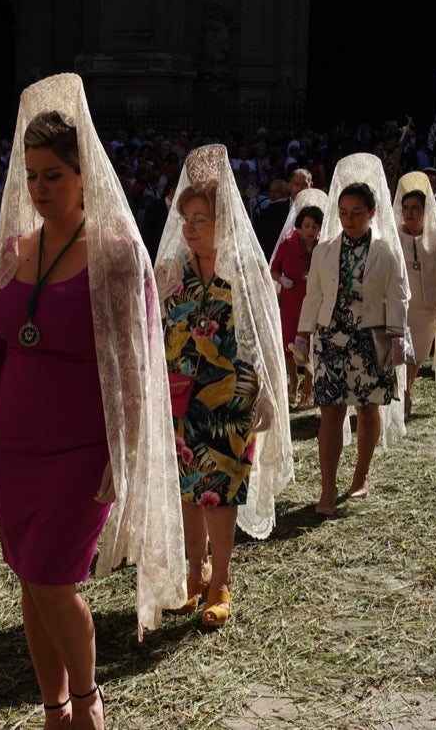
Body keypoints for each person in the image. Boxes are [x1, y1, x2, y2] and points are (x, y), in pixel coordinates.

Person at [0, 74, 184, 730]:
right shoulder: (10, 250)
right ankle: (53, 706)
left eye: (53, 174)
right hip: (16, 452)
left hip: (81, 452)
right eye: (31, 174)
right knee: (31, 580)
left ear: (87, 176)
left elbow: (136, 367)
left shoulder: (116, 258)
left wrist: (128, 451)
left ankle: (87, 703)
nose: (38, 188)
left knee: (54, 581)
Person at [154, 145, 291, 630]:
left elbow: (264, 335)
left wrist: (271, 393)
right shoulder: (172, 272)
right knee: (187, 492)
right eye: (184, 218)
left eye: (199, 219)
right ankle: (195, 574)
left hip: (230, 399)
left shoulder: (245, 271)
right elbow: (154, 330)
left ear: (223, 220)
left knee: (220, 493)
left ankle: (222, 581)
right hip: (179, 397)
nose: (189, 228)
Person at [296, 153, 410, 516]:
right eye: (344, 212)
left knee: (367, 407)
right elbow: (313, 294)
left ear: (372, 213)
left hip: (369, 337)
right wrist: (303, 333)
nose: (349, 219)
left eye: (357, 212)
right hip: (332, 337)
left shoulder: (385, 251)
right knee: (329, 411)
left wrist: (396, 337)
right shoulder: (326, 251)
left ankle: (361, 474)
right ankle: (327, 488)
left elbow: (397, 293)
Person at [393, 172, 436, 415]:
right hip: (402, 306)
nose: (409, 212)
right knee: (404, 352)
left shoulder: (435, 238)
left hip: (428, 307)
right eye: (406, 207)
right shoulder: (394, 236)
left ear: (425, 211)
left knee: (419, 354)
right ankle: (403, 393)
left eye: (415, 208)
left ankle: (407, 387)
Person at [269, 188, 328, 410]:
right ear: (299, 226)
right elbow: (274, 269)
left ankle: (309, 386)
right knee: (290, 344)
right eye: (306, 226)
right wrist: (282, 280)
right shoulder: (288, 243)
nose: (310, 231)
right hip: (292, 299)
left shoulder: (324, 247)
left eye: (315, 227)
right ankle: (293, 380)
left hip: (314, 300)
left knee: (312, 344)